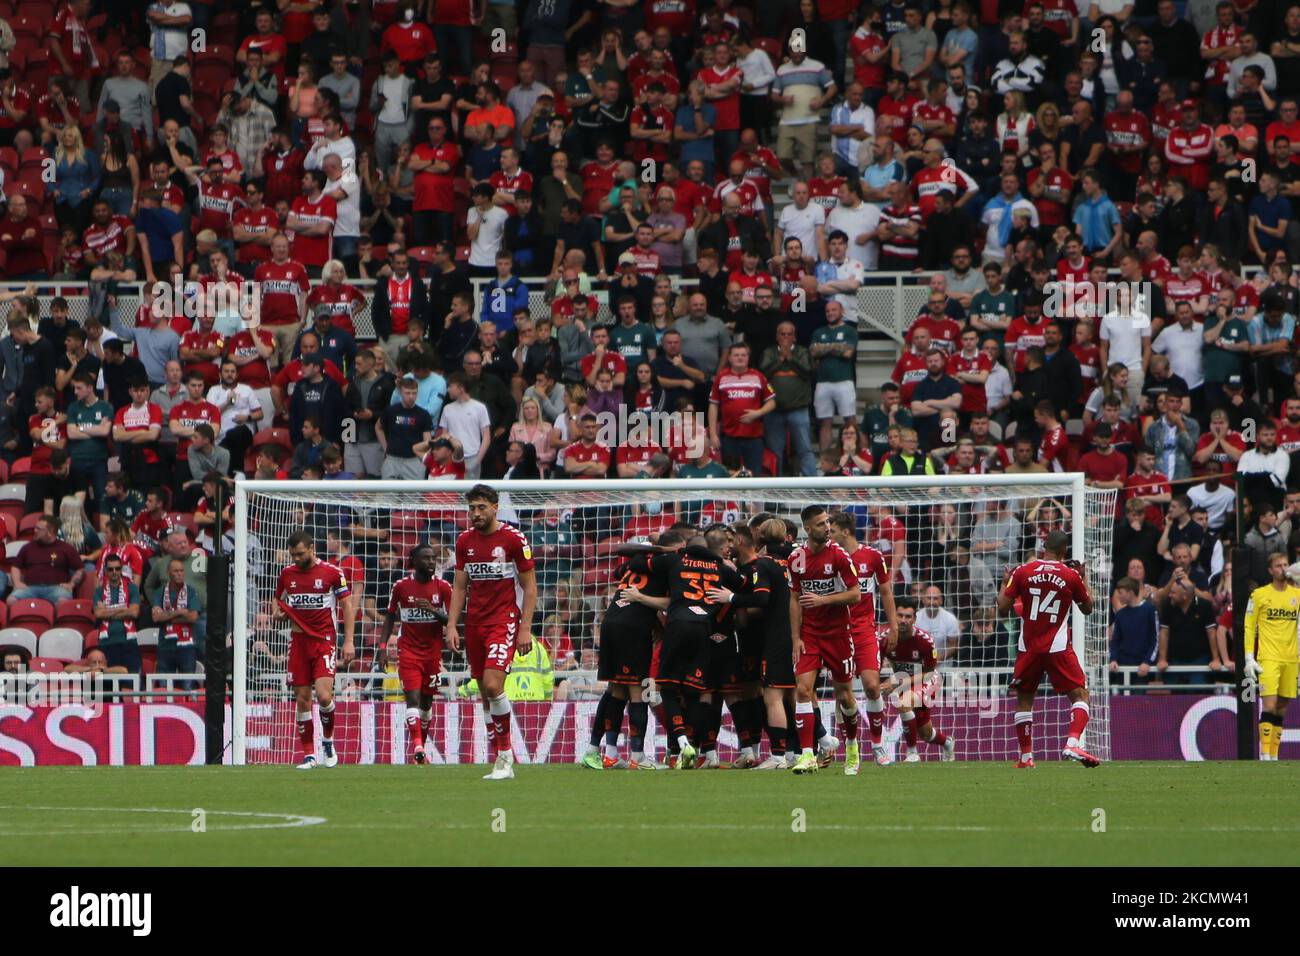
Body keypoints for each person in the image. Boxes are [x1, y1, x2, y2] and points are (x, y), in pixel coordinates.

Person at [445, 484, 538, 780]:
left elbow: (530, 587)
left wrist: (525, 628)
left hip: (504, 620)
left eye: (481, 507)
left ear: (495, 507)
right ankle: (499, 751)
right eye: (472, 508)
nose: (476, 513)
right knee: (485, 692)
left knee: (493, 685)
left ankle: (505, 757)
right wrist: (451, 624)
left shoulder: (513, 539)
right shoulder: (464, 542)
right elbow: (460, 587)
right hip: (474, 623)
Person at [997, 528, 1099, 768]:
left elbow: (1002, 607)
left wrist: (1004, 583)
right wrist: (1083, 578)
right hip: (1057, 646)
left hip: (1028, 647)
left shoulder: (1022, 571)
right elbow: (1088, 608)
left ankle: (1026, 757)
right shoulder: (1071, 575)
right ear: (1064, 551)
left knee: (1024, 699)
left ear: (1044, 547)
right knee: (1080, 695)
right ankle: (1072, 742)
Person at [787, 504, 863, 774]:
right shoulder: (796, 558)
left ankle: (852, 747)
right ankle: (807, 755)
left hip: (839, 634)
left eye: (828, 522)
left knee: (844, 697)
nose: (827, 527)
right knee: (803, 690)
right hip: (810, 634)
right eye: (820, 524)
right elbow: (794, 599)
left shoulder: (840, 556)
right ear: (808, 528)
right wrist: (795, 637)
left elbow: (856, 594)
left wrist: (823, 600)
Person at [274, 530, 356, 770]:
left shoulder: (332, 573)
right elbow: (277, 600)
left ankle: (328, 741)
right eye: (293, 555)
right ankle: (309, 755)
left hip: (324, 640)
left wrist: (348, 641)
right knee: (302, 699)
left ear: (311, 548)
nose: (297, 559)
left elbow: (347, 606)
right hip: (299, 642)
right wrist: (278, 613)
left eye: (300, 554)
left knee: (323, 696)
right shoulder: (287, 574)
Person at [380, 544, 453, 764]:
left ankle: (420, 747)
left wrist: (433, 611)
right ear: (414, 561)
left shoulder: (443, 587)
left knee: (426, 704)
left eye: (433, 558)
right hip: (409, 651)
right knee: (412, 698)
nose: (431, 562)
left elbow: (454, 620)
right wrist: (383, 648)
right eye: (426, 558)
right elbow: (390, 617)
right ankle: (418, 747)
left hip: (432, 654)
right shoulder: (401, 587)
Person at [1243, 552, 1300, 760]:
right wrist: (1249, 656)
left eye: (1285, 564)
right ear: (1270, 570)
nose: (1283, 569)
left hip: (1291, 659)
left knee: (1281, 710)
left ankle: (1274, 756)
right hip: (1268, 658)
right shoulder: (1259, 595)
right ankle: (1264, 754)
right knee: (1269, 705)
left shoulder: (1297, 595)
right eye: (1278, 566)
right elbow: (1249, 627)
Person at [9, 514, 84, 604]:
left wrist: (71, 584)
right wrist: (17, 582)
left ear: (50, 532)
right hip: (31, 587)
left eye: (39, 529)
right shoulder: (28, 547)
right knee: (11, 600)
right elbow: (15, 567)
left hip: (56, 588)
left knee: (63, 603)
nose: (35, 531)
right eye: (35, 527)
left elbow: (80, 569)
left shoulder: (66, 548)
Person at [92, 554, 142, 673]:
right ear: (105, 571)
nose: (114, 572)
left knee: (130, 682)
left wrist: (107, 610)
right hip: (106, 644)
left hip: (128, 643)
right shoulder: (99, 591)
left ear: (121, 569)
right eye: (110, 569)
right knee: (108, 685)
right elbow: (99, 614)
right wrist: (124, 608)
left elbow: (134, 613)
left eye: (117, 568)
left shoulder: (132, 588)